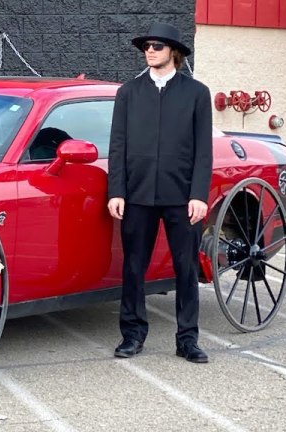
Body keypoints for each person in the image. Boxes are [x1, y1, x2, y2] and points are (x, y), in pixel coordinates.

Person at [107, 22, 213, 363]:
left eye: (156, 45)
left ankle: (187, 340)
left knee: (185, 268)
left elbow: (203, 151)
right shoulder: (128, 93)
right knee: (134, 267)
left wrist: (199, 194)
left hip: (182, 196)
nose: (149, 50)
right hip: (137, 196)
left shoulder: (196, 93)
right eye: (146, 46)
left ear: (173, 52)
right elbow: (118, 145)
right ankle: (132, 335)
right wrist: (116, 190)